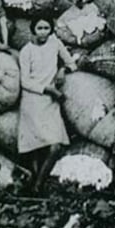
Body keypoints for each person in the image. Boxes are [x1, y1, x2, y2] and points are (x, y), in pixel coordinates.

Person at [18, 17, 77, 193]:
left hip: (50, 103)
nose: (43, 32)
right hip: (33, 100)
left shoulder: (55, 44)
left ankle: (38, 184)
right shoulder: (26, 51)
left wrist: (62, 70)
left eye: (46, 28)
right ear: (33, 30)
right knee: (36, 146)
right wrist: (48, 90)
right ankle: (36, 186)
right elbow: (25, 82)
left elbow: (71, 63)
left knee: (55, 145)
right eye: (39, 28)